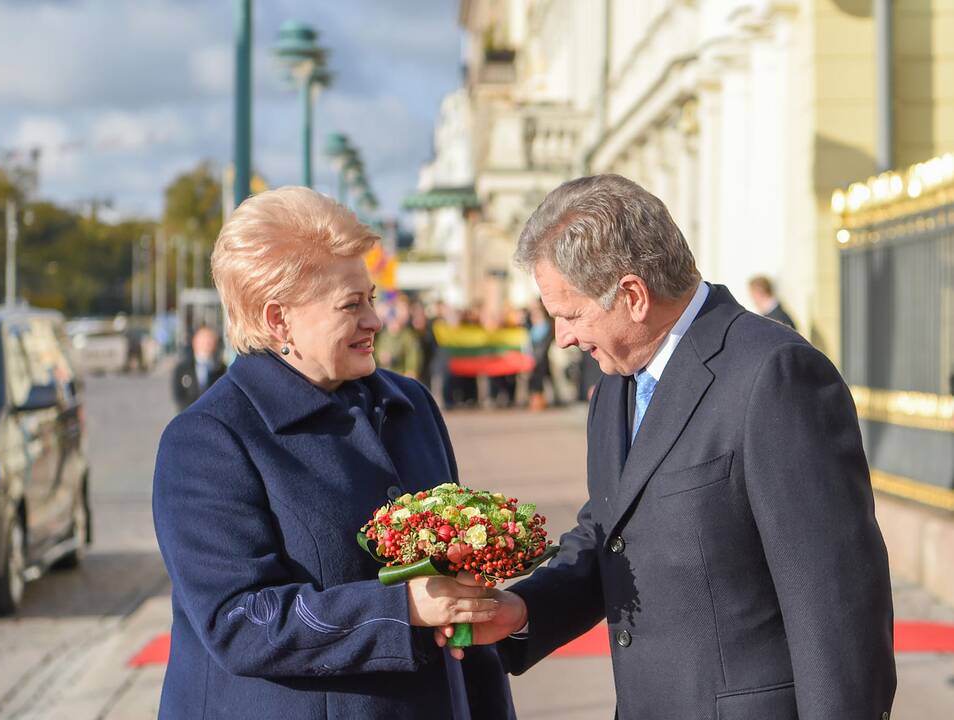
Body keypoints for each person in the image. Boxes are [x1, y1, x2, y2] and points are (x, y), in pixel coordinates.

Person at [441, 174, 895, 719]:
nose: (561, 337)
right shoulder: (615, 382)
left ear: (632, 295)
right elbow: (611, 532)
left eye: (570, 314)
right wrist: (522, 609)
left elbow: (835, 605)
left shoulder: (774, 374)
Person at [153, 187, 514, 720]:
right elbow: (238, 621)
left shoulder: (409, 404)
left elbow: (453, 589)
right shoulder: (209, 439)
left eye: (370, 297)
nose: (375, 319)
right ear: (278, 321)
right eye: (352, 305)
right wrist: (404, 608)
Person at [171, 325, 226, 411]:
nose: (206, 343)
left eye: (210, 340)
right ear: (194, 341)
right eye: (202, 339)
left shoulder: (222, 369)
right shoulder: (182, 369)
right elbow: (179, 396)